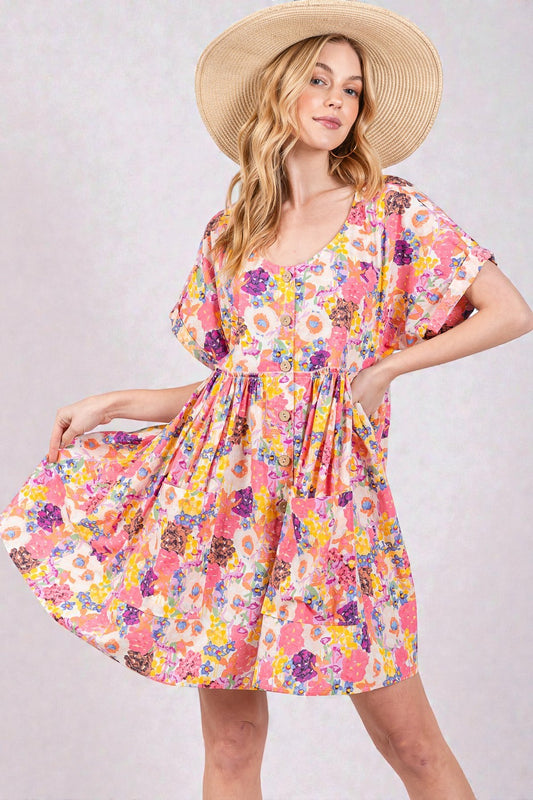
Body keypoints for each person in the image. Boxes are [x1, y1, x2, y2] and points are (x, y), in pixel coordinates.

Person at [1, 1, 531, 798]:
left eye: (350, 89)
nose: (334, 100)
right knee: (231, 745)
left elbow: (510, 312)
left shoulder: (392, 213)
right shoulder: (231, 232)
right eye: (317, 79)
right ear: (277, 92)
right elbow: (235, 395)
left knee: (412, 746)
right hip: (228, 510)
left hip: (333, 506)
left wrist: (385, 369)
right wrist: (117, 402)